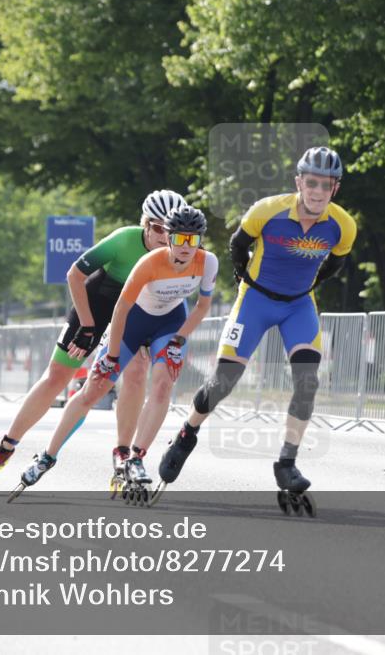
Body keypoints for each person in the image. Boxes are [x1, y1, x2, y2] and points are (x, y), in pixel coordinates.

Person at [157, 147, 356, 505]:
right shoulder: (268, 211)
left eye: (325, 186)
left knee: (308, 382)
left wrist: (307, 287)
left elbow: (335, 264)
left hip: (299, 306)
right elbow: (238, 244)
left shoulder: (342, 225)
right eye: (310, 183)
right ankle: (187, 433)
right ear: (299, 182)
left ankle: (287, 463)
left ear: (334, 189)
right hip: (255, 301)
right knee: (223, 383)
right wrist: (242, 279)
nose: (316, 191)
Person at [0, 190, 188, 494]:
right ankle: (6, 447)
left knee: (135, 374)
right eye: (158, 228)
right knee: (57, 376)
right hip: (97, 301)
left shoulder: (178, 254)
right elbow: (75, 274)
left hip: (134, 309)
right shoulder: (123, 240)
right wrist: (88, 326)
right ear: (145, 225)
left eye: (171, 231)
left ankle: (123, 457)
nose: (164, 236)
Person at [11, 206, 217, 500]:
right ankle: (47, 455)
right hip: (133, 321)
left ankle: (136, 458)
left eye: (193, 240)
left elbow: (202, 307)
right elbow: (120, 309)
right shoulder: (149, 262)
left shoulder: (208, 262)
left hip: (169, 324)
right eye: (180, 239)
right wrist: (111, 355)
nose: (186, 247)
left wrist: (179, 340)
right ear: (169, 239)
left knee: (163, 383)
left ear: (200, 241)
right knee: (93, 391)